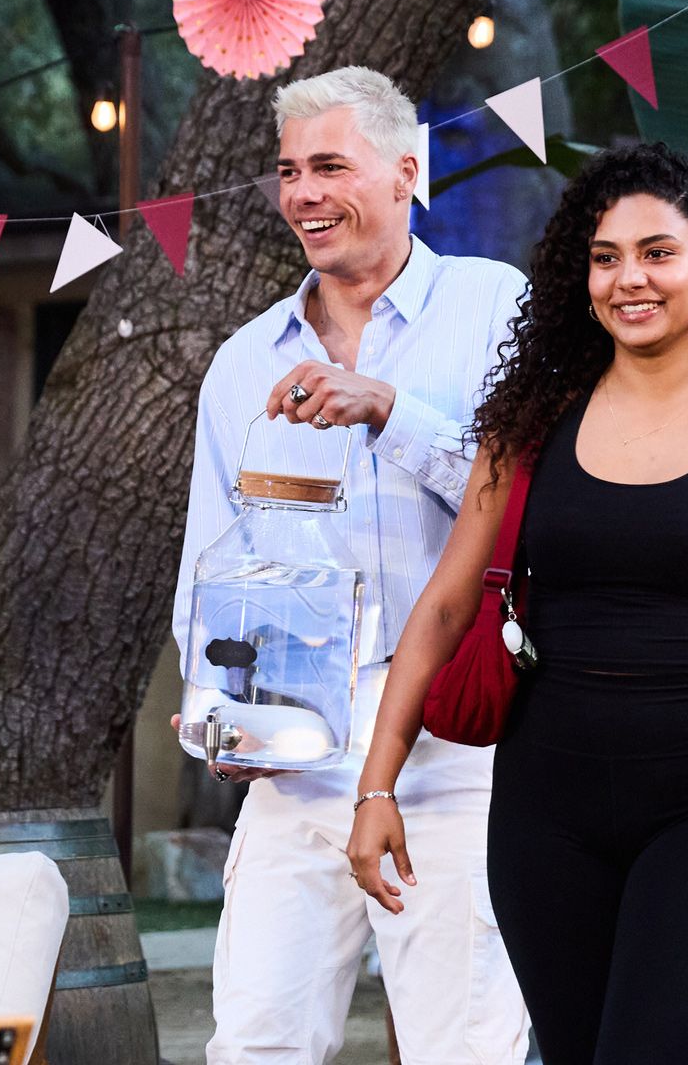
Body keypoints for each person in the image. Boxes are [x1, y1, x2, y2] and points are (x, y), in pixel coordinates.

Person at [346, 143, 688, 1064]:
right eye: (606, 257)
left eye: (658, 253)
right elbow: (445, 609)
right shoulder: (531, 421)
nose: (630, 278)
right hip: (546, 817)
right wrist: (377, 786)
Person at [170, 66, 530, 1064]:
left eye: (330, 166)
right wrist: (219, 708)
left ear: (408, 171)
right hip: (293, 746)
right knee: (256, 1043)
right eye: (290, 171)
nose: (303, 193)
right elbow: (210, 563)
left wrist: (391, 413)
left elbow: (528, 506)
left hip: (455, 739)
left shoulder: (494, 305)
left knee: (466, 1046)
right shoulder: (244, 361)